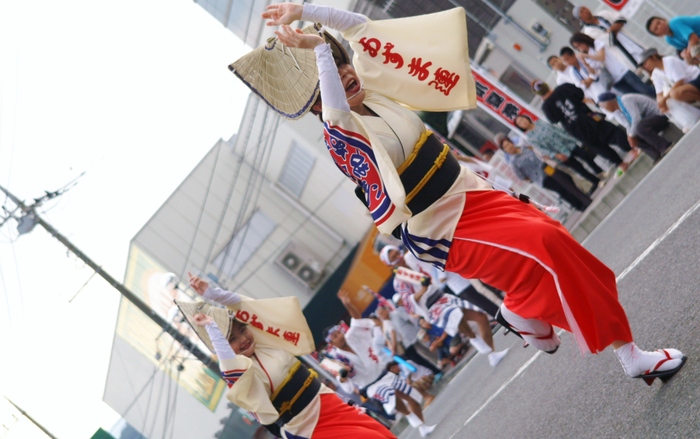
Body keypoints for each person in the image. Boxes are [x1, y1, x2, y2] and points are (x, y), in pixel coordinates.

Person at [239, 2, 686, 386]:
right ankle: (630, 356)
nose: (342, 73)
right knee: (545, 249)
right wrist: (317, 48)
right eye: (329, 78)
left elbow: (360, 28)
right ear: (317, 105)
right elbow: (336, 104)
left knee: (554, 239)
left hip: (473, 194)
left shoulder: (376, 87)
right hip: (441, 227)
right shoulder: (339, 133)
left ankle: (518, 312)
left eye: (341, 64)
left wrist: (307, 14)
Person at [176, 274, 396, 438]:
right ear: (222, 346)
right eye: (232, 339)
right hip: (304, 427)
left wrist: (212, 294)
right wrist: (213, 329)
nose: (242, 338)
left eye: (243, 330)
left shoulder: (265, 340)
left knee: (380, 433)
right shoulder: (242, 373)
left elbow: (249, 309)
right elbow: (229, 364)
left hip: (326, 401)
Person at [535, 80, 632, 170]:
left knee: (597, 146)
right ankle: (632, 147)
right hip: (589, 115)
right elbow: (580, 94)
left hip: (575, 128)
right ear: (546, 85)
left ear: (538, 94)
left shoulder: (546, 107)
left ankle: (619, 163)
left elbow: (554, 120)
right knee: (611, 131)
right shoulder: (564, 87)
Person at [496, 134, 592, 211]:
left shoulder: (524, 147)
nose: (509, 147)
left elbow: (537, 152)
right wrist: (533, 177)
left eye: (508, 144)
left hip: (547, 167)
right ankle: (579, 205)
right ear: (504, 151)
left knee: (567, 180)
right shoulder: (513, 163)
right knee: (561, 189)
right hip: (541, 178)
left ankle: (582, 197)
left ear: (511, 142)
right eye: (505, 147)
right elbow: (521, 176)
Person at [515, 114, 605, 186]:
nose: (523, 122)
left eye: (522, 119)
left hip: (567, 143)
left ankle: (599, 171)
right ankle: (596, 181)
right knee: (578, 167)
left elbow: (556, 129)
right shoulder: (530, 138)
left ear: (526, 118)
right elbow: (542, 149)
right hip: (559, 153)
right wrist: (556, 155)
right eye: (520, 123)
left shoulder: (540, 122)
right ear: (520, 127)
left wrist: (570, 137)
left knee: (585, 155)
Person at [570, 32, 656, 97]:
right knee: (635, 96)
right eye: (577, 47)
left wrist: (587, 55)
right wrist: (585, 63)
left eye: (579, 45)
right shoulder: (585, 56)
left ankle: (660, 96)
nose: (579, 48)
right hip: (613, 80)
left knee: (644, 90)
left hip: (621, 71)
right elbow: (593, 73)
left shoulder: (596, 44)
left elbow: (601, 57)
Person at [597, 92, 673, 162]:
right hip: (647, 123)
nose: (605, 109)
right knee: (632, 136)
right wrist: (629, 137)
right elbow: (628, 125)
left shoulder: (625, 100)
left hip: (660, 116)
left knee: (637, 129)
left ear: (610, 103)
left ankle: (665, 146)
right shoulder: (618, 111)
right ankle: (656, 155)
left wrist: (631, 135)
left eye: (604, 106)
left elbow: (636, 117)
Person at [573, 5, 646, 67]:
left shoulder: (603, 14)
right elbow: (609, 40)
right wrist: (616, 27)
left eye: (584, 8)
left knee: (650, 56)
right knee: (643, 67)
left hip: (630, 40)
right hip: (622, 50)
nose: (585, 11)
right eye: (582, 12)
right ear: (581, 18)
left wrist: (610, 30)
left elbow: (621, 19)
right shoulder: (589, 32)